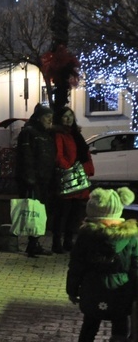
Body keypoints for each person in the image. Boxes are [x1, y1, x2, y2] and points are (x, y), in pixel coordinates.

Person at [67, 187, 138, 342]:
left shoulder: (85, 237)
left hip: (92, 289)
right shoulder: (131, 237)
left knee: (89, 326)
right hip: (121, 290)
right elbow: (135, 265)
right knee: (120, 326)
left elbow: (76, 266)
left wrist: (72, 289)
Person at [15, 103, 56, 257]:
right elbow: (26, 156)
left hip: (45, 178)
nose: (49, 120)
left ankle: (35, 242)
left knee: (40, 212)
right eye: (47, 117)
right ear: (39, 117)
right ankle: (32, 244)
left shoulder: (45, 133)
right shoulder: (29, 132)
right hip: (34, 180)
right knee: (34, 211)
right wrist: (29, 177)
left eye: (51, 118)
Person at [51, 107, 93, 253]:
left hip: (79, 179)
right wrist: (67, 167)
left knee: (74, 214)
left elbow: (85, 153)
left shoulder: (76, 134)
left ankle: (68, 241)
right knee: (62, 213)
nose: (68, 119)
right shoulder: (59, 134)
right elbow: (59, 154)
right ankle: (57, 242)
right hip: (67, 177)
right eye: (65, 116)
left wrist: (88, 169)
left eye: (70, 116)